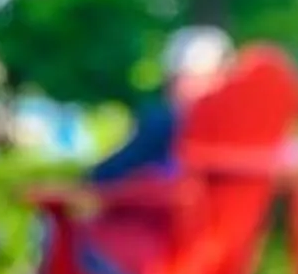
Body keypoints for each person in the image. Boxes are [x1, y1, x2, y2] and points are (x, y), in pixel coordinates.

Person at [87, 26, 236, 184]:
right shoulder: (240, 130)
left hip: (159, 203)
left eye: (193, 80)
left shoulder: (162, 123)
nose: (186, 88)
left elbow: (104, 176)